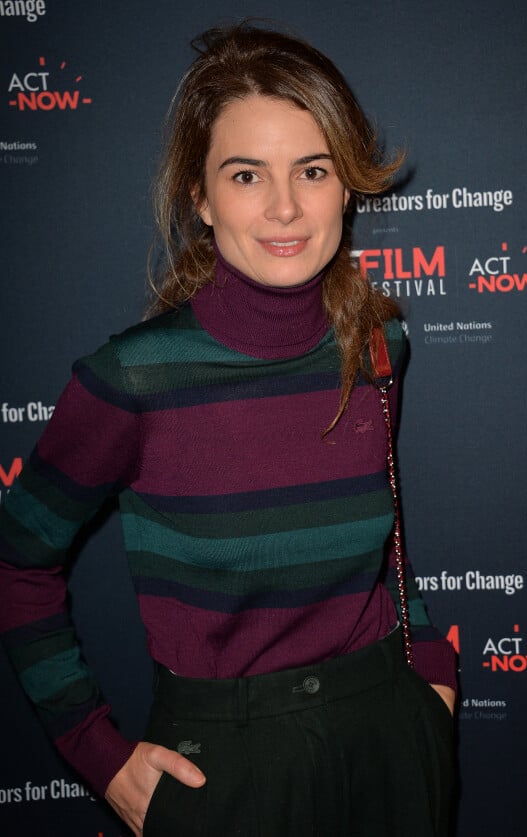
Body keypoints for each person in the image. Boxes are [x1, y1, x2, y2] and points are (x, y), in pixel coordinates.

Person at [0, 22, 457, 837]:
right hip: (226, 774)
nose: (285, 207)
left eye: (311, 171)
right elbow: (16, 563)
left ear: (345, 185)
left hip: (392, 741)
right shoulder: (134, 379)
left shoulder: (380, 347)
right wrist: (99, 753)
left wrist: (431, 670)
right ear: (201, 197)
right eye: (247, 174)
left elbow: (388, 542)